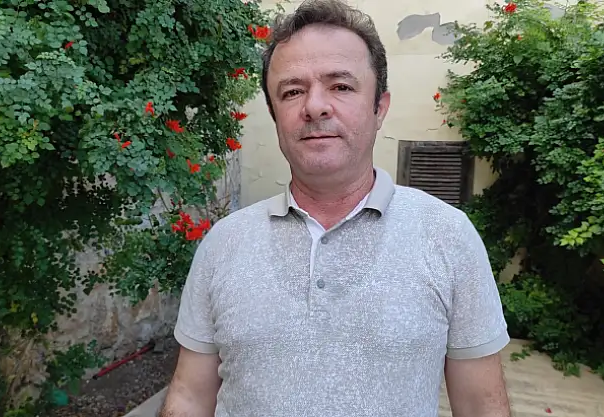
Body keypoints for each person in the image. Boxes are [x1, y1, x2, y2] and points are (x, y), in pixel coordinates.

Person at [159, 0, 511, 415]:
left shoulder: (448, 236)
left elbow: (482, 405)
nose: (314, 106)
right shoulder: (224, 244)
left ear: (380, 108)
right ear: (274, 115)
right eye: (292, 91)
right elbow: (189, 397)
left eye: (341, 86)